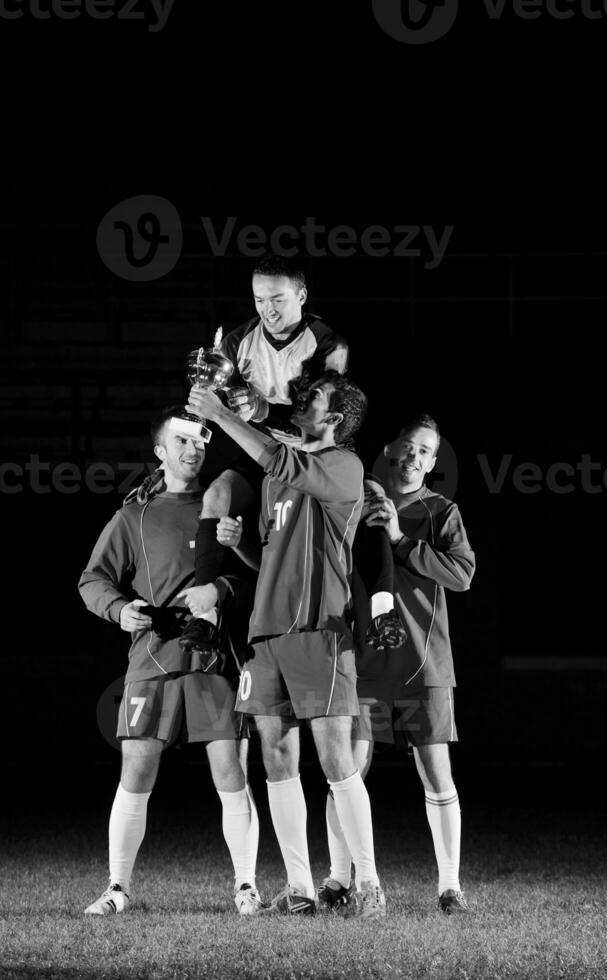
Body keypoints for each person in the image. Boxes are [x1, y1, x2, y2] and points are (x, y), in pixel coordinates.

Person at [186, 371, 386, 919]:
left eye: (314, 398)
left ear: (336, 419)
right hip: (265, 635)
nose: (301, 401)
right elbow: (272, 554)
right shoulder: (279, 479)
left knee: (335, 759)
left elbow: (277, 459)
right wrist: (242, 544)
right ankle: (299, 889)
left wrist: (223, 415)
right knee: (275, 759)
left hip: (320, 631)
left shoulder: (345, 467)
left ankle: (368, 883)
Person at [78, 406, 261, 916]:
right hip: (151, 658)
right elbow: (93, 580)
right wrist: (120, 610)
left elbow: (261, 578)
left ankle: (246, 887)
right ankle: (117, 888)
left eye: (200, 439)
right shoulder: (133, 516)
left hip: (216, 661)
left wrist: (225, 580)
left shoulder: (227, 506)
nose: (193, 448)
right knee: (136, 769)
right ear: (160, 451)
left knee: (232, 771)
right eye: (180, 440)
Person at [180, 254, 405, 655]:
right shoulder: (236, 341)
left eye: (278, 299)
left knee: (370, 504)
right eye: (259, 299)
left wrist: (263, 409)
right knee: (216, 497)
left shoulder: (327, 342)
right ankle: (205, 616)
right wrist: (217, 404)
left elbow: (322, 410)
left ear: (302, 295)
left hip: (316, 447)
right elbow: (226, 403)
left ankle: (383, 607)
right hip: (264, 449)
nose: (268, 309)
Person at [318, 415, 475, 916]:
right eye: (408, 448)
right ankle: (339, 878)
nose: (414, 458)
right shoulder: (355, 502)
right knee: (347, 768)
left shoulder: (440, 510)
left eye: (425, 452)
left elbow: (462, 574)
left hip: (423, 665)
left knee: (435, 772)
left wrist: (402, 539)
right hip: (360, 663)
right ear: (388, 449)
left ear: (433, 463)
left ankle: (450, 886)